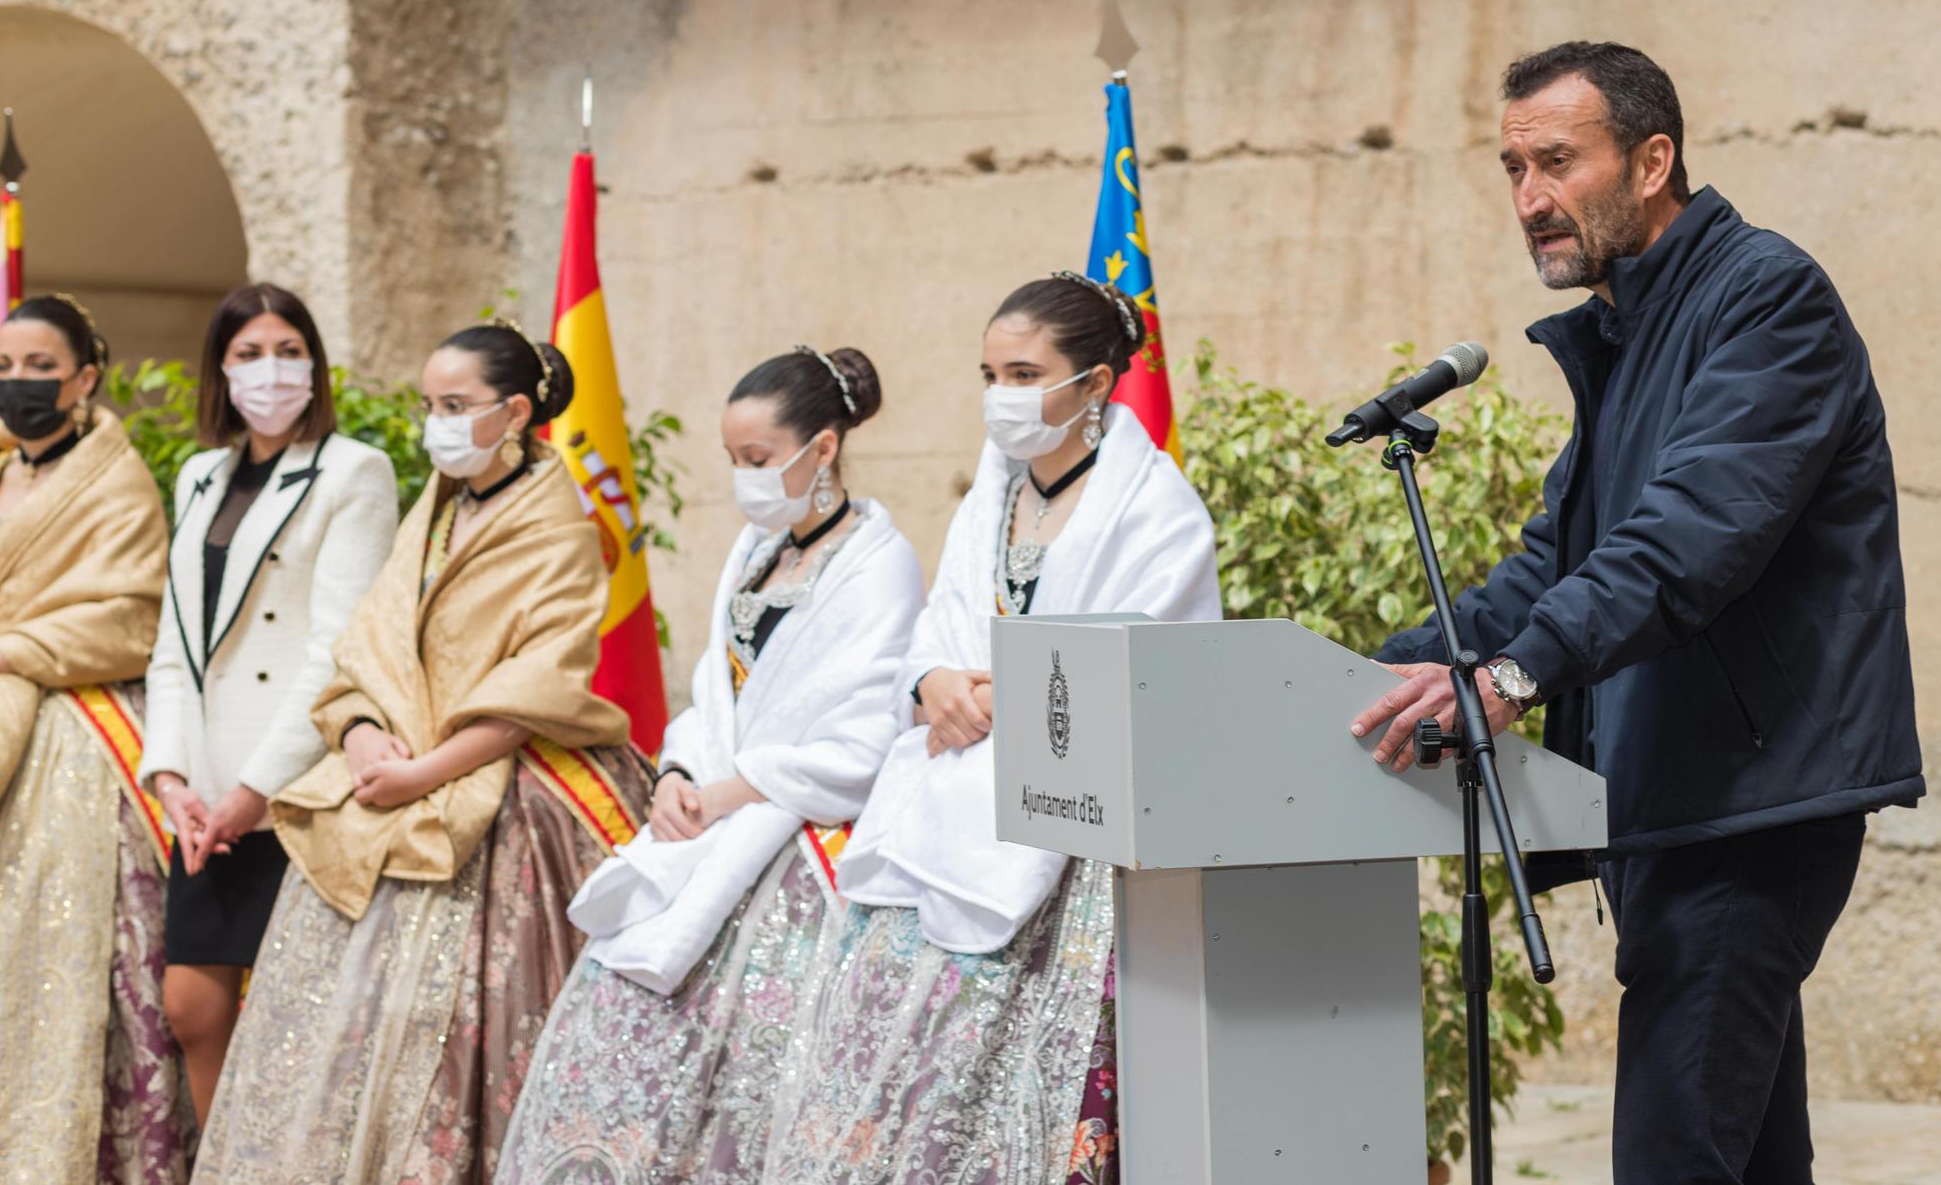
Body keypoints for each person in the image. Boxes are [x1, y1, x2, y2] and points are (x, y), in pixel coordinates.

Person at [1351, 41, 1922, 1185]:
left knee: (1670, 1155)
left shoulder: (1764, 300)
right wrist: (1355, 670)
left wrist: (1509, 682)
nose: (1529, 199)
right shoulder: (1626, 335)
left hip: (1748, 809)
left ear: (1651, 158)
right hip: (1674, 803)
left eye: (1556, 161)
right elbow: (1546, 570)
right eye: (1511, 168)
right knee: (1743, 1155)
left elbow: (1687, 543)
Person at [763, 275, 1222, 1185]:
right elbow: (943, 619)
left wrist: (1004, 698)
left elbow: (1153, 664)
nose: (1000, 397)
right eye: (989, 373)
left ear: (1096, 385)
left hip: (1077, 834)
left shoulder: (1159, 511)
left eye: (1024, 372)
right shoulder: (995, 488)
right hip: (952, 791)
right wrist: (934, 680)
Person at [193, 320, 654, 1183]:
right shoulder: (436, 505)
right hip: (387, 775)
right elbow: (366, 640)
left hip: (501, 793)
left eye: (455, 405)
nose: (433, 423)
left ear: (515, 411)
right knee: (335, 1036)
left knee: (458, 1036)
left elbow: (540, 683)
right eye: (427, 404)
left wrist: (420, 771)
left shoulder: (558, 524)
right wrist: (363, 732)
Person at [497, 345, 925, 1182]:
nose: (744, 479)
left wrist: (732, 790)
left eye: (759, 460)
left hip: (800, 849)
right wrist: (678, 775)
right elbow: (711, 691)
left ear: (824, 448)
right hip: (714, 816)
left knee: (759, 1072)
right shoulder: (754, 552)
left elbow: (867, 735)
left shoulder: (880, 563)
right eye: (734, 460)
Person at [139, 283, 399, 1125]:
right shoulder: (199, 474)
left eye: (288, 350)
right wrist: (173, 774)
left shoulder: (354, 469)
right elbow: (178, 640)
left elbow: (336, 646)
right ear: (221, 368)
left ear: (316, 364)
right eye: (249, 353)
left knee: (294, 1021)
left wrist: (255, 789)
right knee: (191, 1007)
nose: (270, 370)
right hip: (204, 787)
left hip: (292, 780)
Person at [0, 295, 182, 1180]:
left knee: (45, 960)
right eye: (5, 369)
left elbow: (127, 616)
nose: (18, 386)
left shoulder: (116, 482)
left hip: (69, 735)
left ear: (86, 377)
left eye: (40, 369)